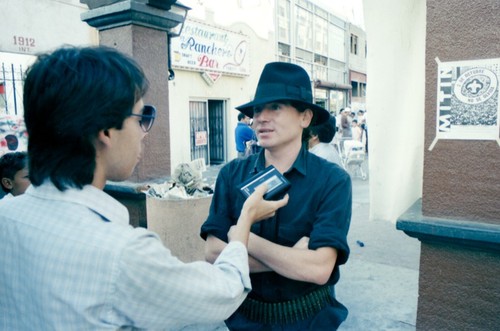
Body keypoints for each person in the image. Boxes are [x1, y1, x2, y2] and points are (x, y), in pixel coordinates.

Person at [0, 46, 288, 331]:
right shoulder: (123, 253)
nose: (144, 134)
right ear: (107, 131)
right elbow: (223, 292)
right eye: (142, 117)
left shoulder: (7, 214)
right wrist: (243, 227)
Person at [201, 62, 352, 330]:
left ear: (305, 118)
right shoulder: (231, 175)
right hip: (245, 320)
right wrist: (292, 259)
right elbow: (213, 253)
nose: (261, 117)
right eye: (257, 109)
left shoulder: (332, 181)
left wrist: (243, 237)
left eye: (276, 107)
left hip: (310, 320)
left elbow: (318, 270)